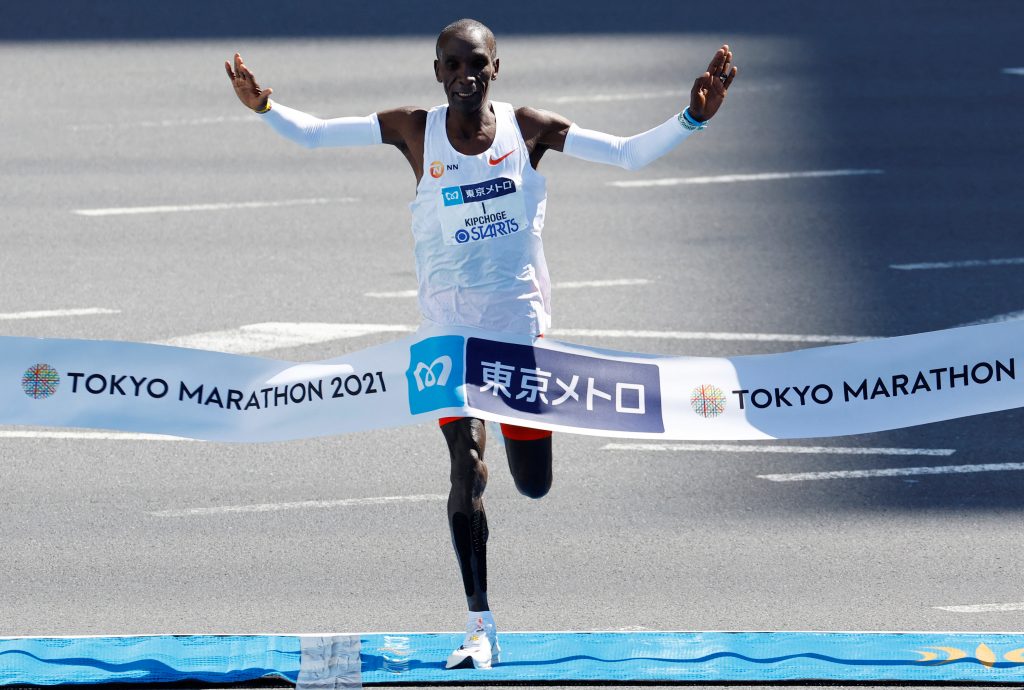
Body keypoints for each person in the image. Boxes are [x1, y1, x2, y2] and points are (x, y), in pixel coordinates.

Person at [226, 19, 736, 670]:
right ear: (437, 72)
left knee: (533, 484)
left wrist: (692, 119)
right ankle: (480, 624)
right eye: (452, 64)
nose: (465, 73)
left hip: (517, 330)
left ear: (496, 69)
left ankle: (526, 467)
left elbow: (628, 153)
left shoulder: (529, 129)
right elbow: (318, 133)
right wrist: (264, 106)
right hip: (446, 332)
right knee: (465, 465)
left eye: (478, 63)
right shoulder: (416, 128)